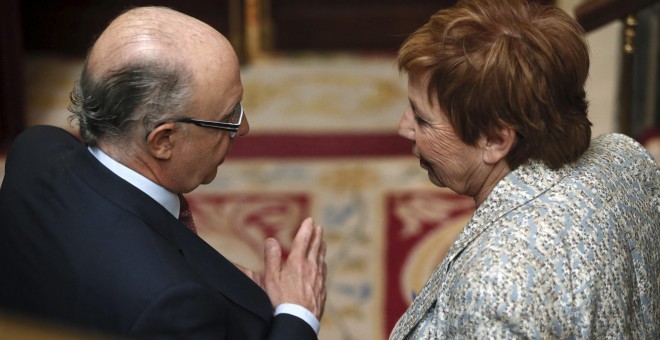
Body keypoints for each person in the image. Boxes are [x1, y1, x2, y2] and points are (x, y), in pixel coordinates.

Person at [0, 6, 326, 339]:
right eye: (228, 116)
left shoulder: (36, 150)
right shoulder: (174, 307)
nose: (242, 128)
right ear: (163, 140)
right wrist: (297, 313)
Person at [390, 0, 660, 338]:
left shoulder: (491, 294)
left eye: (422, 119)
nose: (404, 127)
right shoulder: (625, 157)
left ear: (495, 139)